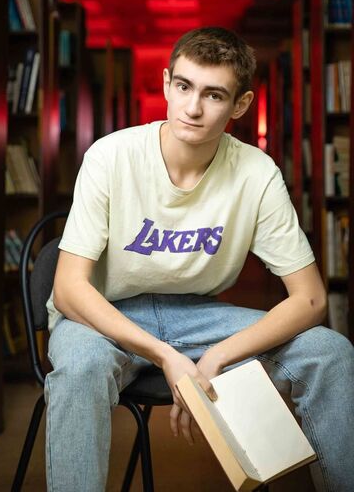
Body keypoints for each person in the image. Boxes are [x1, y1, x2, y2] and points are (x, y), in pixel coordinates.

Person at [45, 27, 354, 492]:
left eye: (214, 95)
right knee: (81, 366)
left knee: (330, 352)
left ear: (240, 105)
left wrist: (218, 356)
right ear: (167, 83)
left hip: (198, 317)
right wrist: (164, 356)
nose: (192, 108)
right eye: (184, 86)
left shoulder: (256, 173)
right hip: (103, 315)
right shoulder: (110, 156)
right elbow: (69, 290)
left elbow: (310, 300)